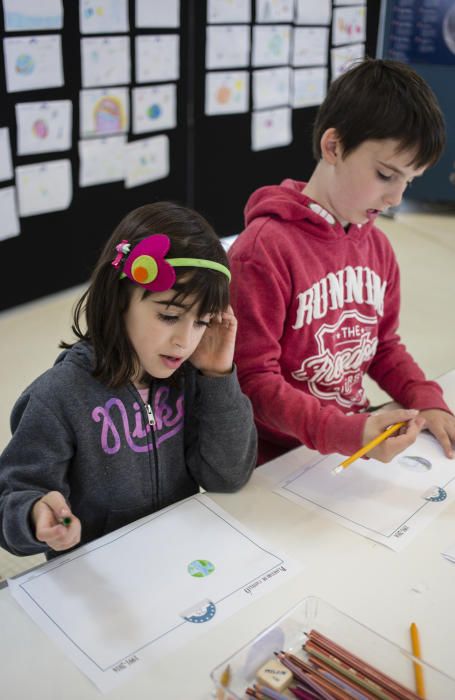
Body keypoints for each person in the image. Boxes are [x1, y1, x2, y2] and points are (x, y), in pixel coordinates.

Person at [228, 57, 455, 466]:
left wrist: (424, 397)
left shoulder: (378, 248)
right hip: (277, 459)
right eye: (386, 175)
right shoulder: (263, 251)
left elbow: (383, 345)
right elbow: (252, 382)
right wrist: (343, 431)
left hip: (344, 444)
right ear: (333, 146)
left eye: (410, 181)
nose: (396, 198)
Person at [0, 201, 257, 557]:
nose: (186, 340)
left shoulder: (191, 375)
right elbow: (13, 496)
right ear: (118, 299)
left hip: (176, 561)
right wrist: (34, 514)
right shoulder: (57, 398)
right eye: (169, 315)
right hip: (98, 580)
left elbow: (228, 477)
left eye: (201, 322)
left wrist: (218, 374)